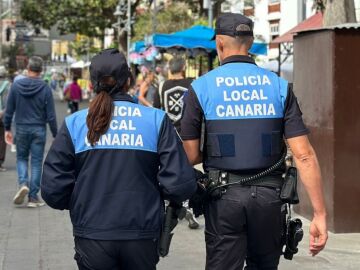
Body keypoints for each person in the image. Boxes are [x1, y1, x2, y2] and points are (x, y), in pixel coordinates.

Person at [181, 13, 328, 270]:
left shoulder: (201, 87)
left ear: (219, 44)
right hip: (269, 200)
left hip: (223, 198)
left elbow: (191, 156)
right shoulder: (279, 86)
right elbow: (304, 155)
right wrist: (320, 214)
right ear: (249, 43)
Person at [41, 48, 196, 270]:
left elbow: (52, 189)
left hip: (92, 233)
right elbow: (180, 184)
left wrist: (82, 201)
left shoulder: (75, 123)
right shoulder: (155, 120)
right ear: (129, 81)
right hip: (142, 234)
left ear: (93, 84)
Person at [4, 56, 58, 207]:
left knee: (21, 158)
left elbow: (9, 110)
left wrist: (7, 128)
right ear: (41, 70)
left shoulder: (16, 86)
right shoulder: (45, 88)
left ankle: (23, 184)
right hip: (39, 129)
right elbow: (51, 115)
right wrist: (56, 134)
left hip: (20, 127)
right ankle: (33, 198)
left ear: (28, 68)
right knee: (36, 162)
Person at [154, 57, 199, 229]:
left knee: (168, 169)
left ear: (170, 69)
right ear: (184, 67)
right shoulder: (193, 84)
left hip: (168, 135)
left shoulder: (162, 86)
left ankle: (169, 207)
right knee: (189, 170)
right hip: (189, 135)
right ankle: (188, 206)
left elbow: (157, 111)